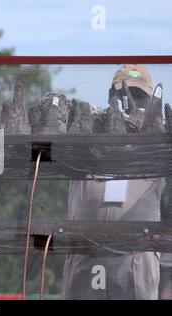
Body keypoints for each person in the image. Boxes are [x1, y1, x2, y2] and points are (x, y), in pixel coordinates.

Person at [62, 64, 165, 299]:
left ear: (150, 103)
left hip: (136, 257)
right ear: (110, 96)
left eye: (139, 97)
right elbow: (47, 154)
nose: (131, 101)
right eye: (123, 94)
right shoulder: (89, 127)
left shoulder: (159, 136)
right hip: (86, 253)